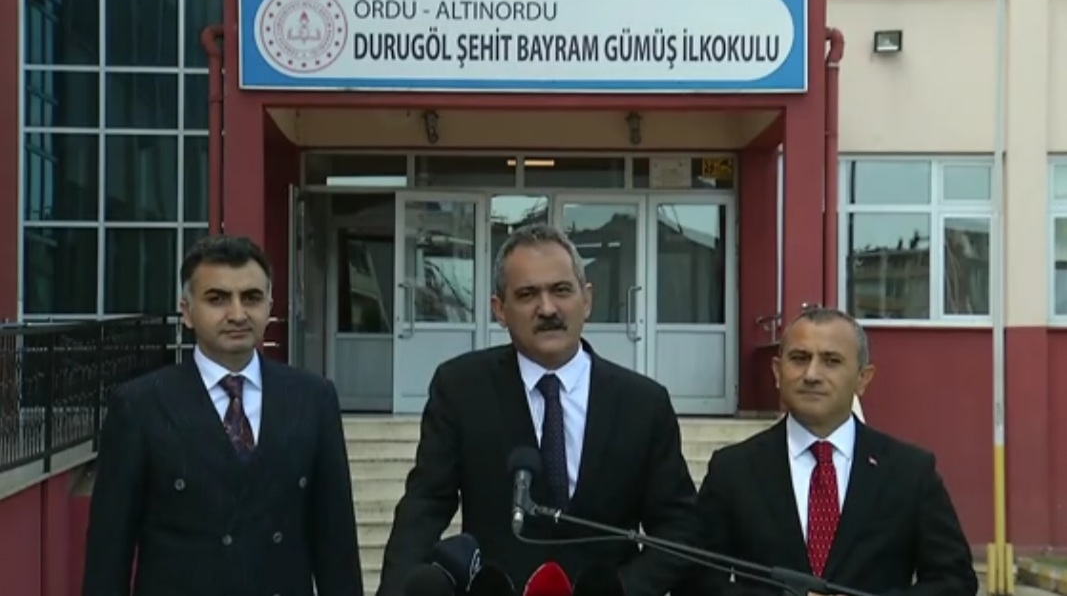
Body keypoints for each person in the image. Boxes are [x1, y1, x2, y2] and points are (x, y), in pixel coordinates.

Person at [376, 223, 697, 596]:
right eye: (527, 294)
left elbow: (679, 527)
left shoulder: (643, 403)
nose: (547, 309)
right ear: (500, 309)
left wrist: (623, 589)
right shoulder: (461, 389)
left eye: (561, 290)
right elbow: (425, 507)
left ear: (587, 299)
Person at [82, 235, 362, 596]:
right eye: (217, 299)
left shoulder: (313, 398)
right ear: (186, 311)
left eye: (252, 298)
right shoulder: (140, 405)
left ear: (269, 306)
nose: (237, 314)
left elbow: (336, 542)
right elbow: (109, 551)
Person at [679, 307, 977, 596]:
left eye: (831, 361)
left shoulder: (910, 472)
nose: (812, 374)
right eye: (799, 358)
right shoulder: (734, 470)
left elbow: (955, 581)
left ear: (863, 378)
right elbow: (694, 580)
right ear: (777, 371)